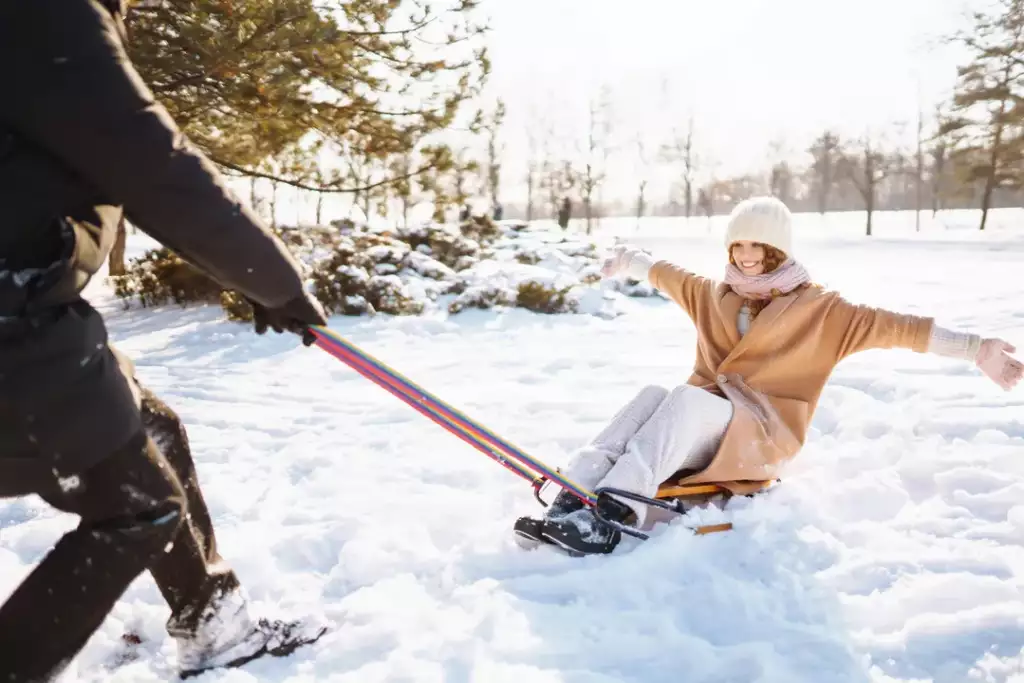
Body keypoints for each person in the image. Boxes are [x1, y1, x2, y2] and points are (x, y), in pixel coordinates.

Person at [0, 0, 332, 680]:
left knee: (154, 430)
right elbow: (149, 161)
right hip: (13, 317)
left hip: (27, 306)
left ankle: (212, 617)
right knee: (138, 506)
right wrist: (274, 281)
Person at [515, 196, 1023, 557]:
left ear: (780, 250)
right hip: (705, 428)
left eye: (760, 246)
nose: (748, 256)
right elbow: (666, 273)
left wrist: (976, 349)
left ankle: (610, 517)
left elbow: (898, 327)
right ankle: (570, 499)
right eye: (738, 245)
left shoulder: (824, 311)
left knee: (686, 400)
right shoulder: (717, 294)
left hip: (760, 434)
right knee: (656, 393)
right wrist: (629, 259)